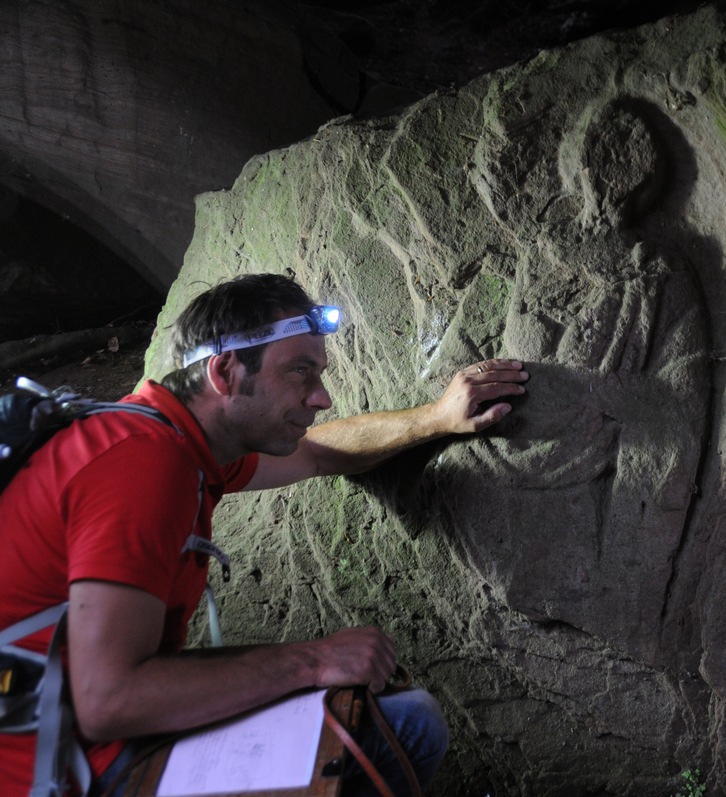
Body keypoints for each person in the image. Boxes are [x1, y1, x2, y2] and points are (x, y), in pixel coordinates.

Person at [0, 273, 529, 797]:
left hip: (64, 720)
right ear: (225, 371)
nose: (321, 397)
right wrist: (314, 660)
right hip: (49, 765)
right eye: (300, 371)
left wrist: (436, 419)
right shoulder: (145, 467)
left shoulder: (169, 438)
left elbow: (321, 452)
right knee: (406, 725)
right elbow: (108, 702)